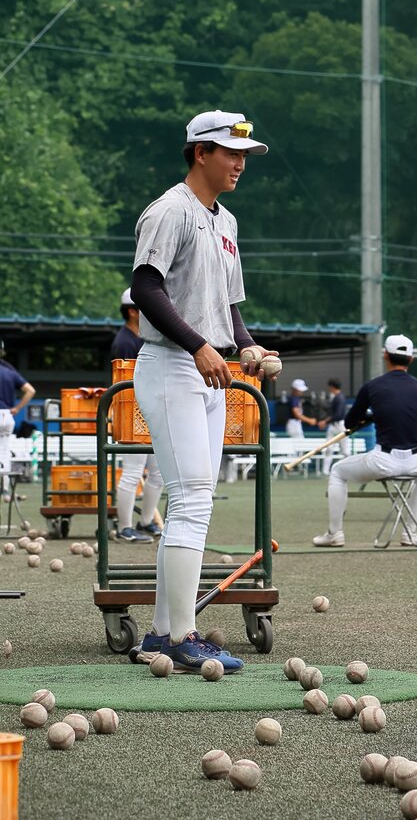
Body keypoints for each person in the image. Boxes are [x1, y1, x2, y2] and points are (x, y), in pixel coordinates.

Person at [128, 109, 279, 674]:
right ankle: (183, 635)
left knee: (192, 501)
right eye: (230, 152)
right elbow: (145, 287)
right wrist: (197, 345)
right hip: (172, 365)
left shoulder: (226, 221)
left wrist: (249, 347)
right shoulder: (169, 209)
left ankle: (161, 634)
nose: (240, 163)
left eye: (244, 154)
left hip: (209, 369)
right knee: (192, 499)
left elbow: (228, 306)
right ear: (200, 152)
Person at [313, 335, 417, 548]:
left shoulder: (372, 386)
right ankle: (409, 532)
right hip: (416, 459)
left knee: (337, 471)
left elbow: (349, 423)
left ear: (385, 356)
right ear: (411, 359)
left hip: (382, 461)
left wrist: (371, 415)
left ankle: (335, 534)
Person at [112, 288, 165, 543]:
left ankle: (145, 522)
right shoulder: (125, 341)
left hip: (149, 411)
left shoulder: (145, 337)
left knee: (157, 472)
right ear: (133, 311)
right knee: (133, 472)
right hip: (131, 413)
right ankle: (124, 527)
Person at [0, 339, 36, 502]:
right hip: (6, 416)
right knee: (4, 453)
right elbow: (30, 391)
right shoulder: (10, 372)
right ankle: (5, 492)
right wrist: (17, 409)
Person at [317, 378, 350, 475]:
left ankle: (349, 469)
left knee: (345, 450)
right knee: (329, 448)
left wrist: (325, 421)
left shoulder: (339, 398)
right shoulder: (336, 397)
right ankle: (325, 471)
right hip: (334, 425)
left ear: (332, 387)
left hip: (340, 425)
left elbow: (338, 415)